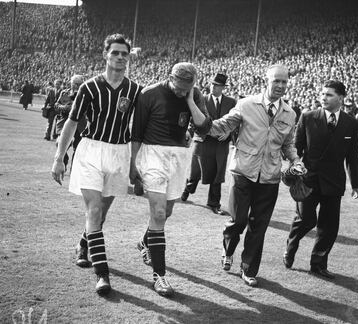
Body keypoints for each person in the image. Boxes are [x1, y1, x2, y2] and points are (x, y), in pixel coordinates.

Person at [51, 34, 141, 295]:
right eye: (115, 53)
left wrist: (136, 164)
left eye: (124, 53)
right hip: (91, 150)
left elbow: (139, 129)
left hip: (118, 153)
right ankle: (102, 274)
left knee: (101, 213)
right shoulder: (89, 87)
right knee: (93, 209)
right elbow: (72, 122)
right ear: (106, 55)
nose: (120, 57)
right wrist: (59, 158)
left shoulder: (135, 90)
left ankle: (83, 244)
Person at [207, 64, 306, 287]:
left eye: (284, 82)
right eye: (276, 81)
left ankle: (249, 269)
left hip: (270, 177)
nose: (280, 86)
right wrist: (204, 125)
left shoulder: (290, 114)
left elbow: (288, 144)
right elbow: (223, 125)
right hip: (243, 172)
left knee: (258, 226)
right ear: (267, 81)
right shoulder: (246, 104)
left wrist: (295, 160)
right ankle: (228, 249)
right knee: (238, 221)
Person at [130, 62, 211, 297]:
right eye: (179, 86)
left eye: (187, 86)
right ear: (169, 77)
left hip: (178, 156)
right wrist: (133, 165)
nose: (181, 90)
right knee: (157, 214)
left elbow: (204, 128)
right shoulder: (149, 94)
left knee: (166, 213)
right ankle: (160, 277)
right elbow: (136, 133)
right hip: (152, 154)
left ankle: (146, 242)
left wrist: (190, 100)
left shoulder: (194, 95)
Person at [283, 80, 358, 279]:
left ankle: (318, 264)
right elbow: (296, 150)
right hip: (308, 181)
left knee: (329, 227)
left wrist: (356, 183)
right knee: (306, 220)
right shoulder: (308, 117)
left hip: (334, 183)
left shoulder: (350, 123)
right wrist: (294, 171)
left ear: (341, 98)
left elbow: (352, 156)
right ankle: (291, 246)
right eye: (323, 94)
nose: (323, 97)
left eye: (329, 94)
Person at [181, 73, 237, 215]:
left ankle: (214, 203)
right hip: (203, 141)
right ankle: (187, 190)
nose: (214, 87)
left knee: (218, 173)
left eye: (217, 85)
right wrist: (189, 133)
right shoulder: (202, 99)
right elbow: (192, 118)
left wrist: (228, 132)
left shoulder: (231, 102)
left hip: (220, 143)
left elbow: (236, 121)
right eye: (212, 84)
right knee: (196, 173)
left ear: (223, 87)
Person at [53, 75, 84, 171]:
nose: (77, 86)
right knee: (60, 144)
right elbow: (56, 105)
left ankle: (74, 169)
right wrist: (65, 108)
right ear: (71, 84)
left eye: (80, 84)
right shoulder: (64, 93)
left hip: (80, 124)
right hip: (64, 123)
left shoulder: (85, 94)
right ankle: (63, 161)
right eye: (75, 84)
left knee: (78, 148)